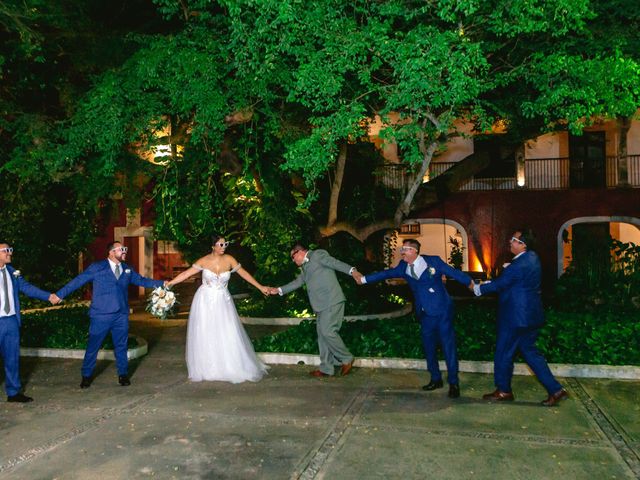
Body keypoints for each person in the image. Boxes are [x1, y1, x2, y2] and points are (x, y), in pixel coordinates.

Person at [358, 238, 473, 398]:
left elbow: (453, 272)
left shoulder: (433, 261)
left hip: (442, 311)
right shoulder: (403, 267)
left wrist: (471, 284)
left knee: (448, 347)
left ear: (413, 251)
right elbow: (386, 273)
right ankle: (435, 378)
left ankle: (453, 383)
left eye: (404, 250)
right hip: (424, 314)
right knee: (429, 348)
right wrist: (363, 279)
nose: (401, 253)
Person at [472, 229, 568, 406]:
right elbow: (516, 280)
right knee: (531, 353)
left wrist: (478, 288)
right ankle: (556, 389)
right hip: (531, 316)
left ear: (523, 244)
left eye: (514, 240)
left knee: (503, 353)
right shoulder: (532, 258)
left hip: (514, 318)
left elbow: (501, 284)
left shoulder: (518, 265)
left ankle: (503, 390)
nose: (510, 242)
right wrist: (508, 270)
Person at [56, 241, 165, 388]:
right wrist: (59, 295)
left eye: (125, 249)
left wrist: (162, 283)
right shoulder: (97, 268)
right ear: (111, 252)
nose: (125, 251)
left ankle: (123, 375)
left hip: (121, 315)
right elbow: (78, 281)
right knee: (93, 346)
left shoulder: (127, 269)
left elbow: (142, 281)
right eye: (122, 249)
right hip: (101, 315)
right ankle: (86, 375)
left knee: (121, 346)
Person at [167, 235, 269, 383]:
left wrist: (260, 287)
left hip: (223, 300)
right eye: (220, 244)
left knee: (227, 330)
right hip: (205, 300)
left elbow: (244, 273)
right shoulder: (204, 260)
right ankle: (208, 367)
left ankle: (229, 365)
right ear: (213, 246)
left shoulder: (229, 260)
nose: (223, 247)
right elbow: (186, 273)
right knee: (206, 331)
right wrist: (170, 283)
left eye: (225, 244)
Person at [269, 242, 361, 378]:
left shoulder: (318, 255)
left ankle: (346, 358)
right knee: (322, 336)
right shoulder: (305, 267)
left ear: (298, 252)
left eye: (292, 257)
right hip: (320, 306)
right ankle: (326, 368)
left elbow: (335, 263)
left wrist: (353, 271)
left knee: (328, 332)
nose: (293, 261)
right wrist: (278, 290)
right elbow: (298, 282)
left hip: (331, 301)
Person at [0, 242, 60, 402]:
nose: (10, 253)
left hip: (11, 321)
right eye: (7, 250)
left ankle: (13, 393)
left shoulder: (12, 272)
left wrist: (49, 296)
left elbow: (28, 288)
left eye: (10, 250)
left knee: (12, 358)